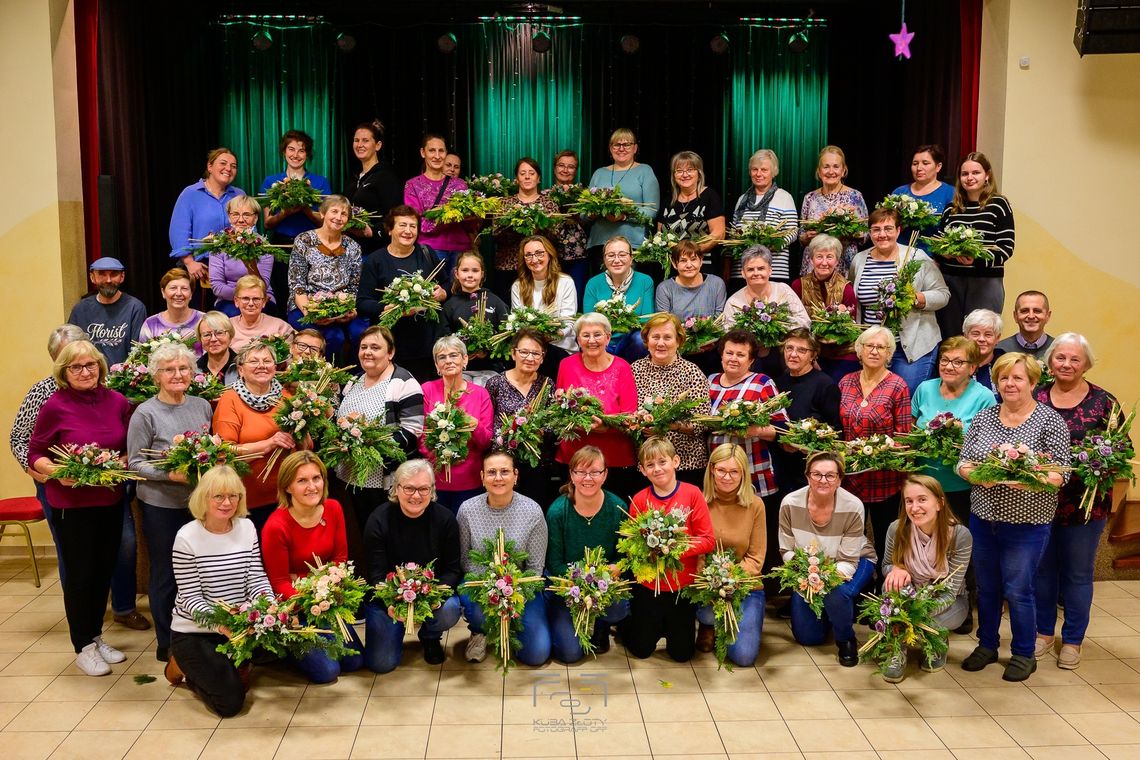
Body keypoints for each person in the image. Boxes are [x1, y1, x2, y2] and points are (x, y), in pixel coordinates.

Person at [956, 352, 1070, 682]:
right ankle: (987, 644)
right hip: (984, 516)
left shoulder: (1049, 421)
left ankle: (1023, 652)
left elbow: (1060, 473)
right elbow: (962, 462)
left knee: (1018, 589)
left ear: (1033, 382)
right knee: (988, 588)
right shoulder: (984, 418)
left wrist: (1029, 478)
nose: (1010, 383)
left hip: (1027, 523)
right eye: (1004, 378)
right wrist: (975, 475)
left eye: (1018, 378)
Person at [28, 340, 132, 676]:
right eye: (76, 367)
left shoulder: (117, 402)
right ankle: (82, 646)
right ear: (64, 372)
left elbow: (131, 447)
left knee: (103, 570)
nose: (85, 372)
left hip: (110, 500)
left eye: (90, 365)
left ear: (101, 367)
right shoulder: (55, 406)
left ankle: (95, 635)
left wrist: (122, 462)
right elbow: (36, 454)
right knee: (79, 575)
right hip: (70, 505)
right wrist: (60, 472)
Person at [1034, 333, 1117, 670]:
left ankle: (1072, 641)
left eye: (1074, 359)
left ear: (1086, 364)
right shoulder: (1035, 396)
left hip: (1085, 506)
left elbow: (1119, 453)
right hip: (1037, 502)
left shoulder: (1104, 403)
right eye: (1060, 358)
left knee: (1078, 575)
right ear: (1050, 360)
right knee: (1042, 572)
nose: (1066, 364)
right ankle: (1042, 633)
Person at [127, 341, 214, 661]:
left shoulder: (202, 405)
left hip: (197, 504)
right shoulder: (145, 413)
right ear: (156, 375)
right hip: (161, 505)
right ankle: (167, 642)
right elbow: (134, 464)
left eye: (184, 368)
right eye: (170, 370)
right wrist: (171, 475)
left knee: (197, 572)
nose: (178, 374)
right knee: (166, 572)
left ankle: (196, 635)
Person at [910, 336, 998, 634]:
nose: (949, 366)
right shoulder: (924, 389)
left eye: (958, 362)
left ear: (973, 367)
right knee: (922, 548)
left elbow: (988, 444)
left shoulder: (983, 397)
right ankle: (920, 601)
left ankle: (963, 604)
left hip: (960, 486)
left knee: (960, 547)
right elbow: (910, 431)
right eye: (945, 360)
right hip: (924, 483)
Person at [166, 467, 271, 717]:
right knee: (230, 704)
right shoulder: (186, 537)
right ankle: (181, 663)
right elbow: (191, 599)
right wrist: (222, 624)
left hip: (239, 624)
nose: (227, 503)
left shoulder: (246, 528)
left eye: (233, 496)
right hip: (197, 630)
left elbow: (256, 577)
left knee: (285, 648)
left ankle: (233, 662)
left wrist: (267, 605)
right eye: (218, 497)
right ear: (204, 498)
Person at [261, 451, 364, 682]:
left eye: (316, 478)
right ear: (287, 486)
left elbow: (340, 559)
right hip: (296, 607)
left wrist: (325, 592)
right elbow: (279, 582)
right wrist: (312, 597)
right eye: (302, 481)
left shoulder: (333, 509)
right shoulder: (276, 527)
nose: (312, 486)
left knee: (354, 661)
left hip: (325, 598)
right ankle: (284, 643)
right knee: (328, 672)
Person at [619, 437, 716, 662]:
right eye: (650, 465)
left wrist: (673, 548)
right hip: (649, 585)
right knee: (640, 650)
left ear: (676, 461)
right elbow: (632, 545)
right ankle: (633, 623)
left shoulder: (692, 494)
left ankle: (670, 628)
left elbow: (707, 540)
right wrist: (647, 550)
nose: (657, 469)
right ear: (642, 470)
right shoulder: (640, 500)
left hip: (681, 585)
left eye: (662, 462)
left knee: (682, 654)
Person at [363, 459, 463, 671]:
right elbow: (376, 575)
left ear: (432, 490)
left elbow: (453, 570)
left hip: (431, 593)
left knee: (450, 609)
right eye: (409, 488)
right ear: (396, 488)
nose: (416, 496)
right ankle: (395, 632)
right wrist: (391, 603)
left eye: (423, 489)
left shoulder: (445, 520)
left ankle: (430, 635)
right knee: (381, 664)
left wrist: (434, 597)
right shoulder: (378, 520)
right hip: (387, 598)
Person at [778, 451, 877, 665]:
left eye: (831, 475)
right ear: (807, 476)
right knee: (809, 638)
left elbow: (849, 561)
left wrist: (823, 580)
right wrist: (808, 575)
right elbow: (786, 550)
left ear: (840, 479)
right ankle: (831, 613)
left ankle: (845, 638)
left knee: (836, 594)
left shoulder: (853, 506)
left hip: (855, 562)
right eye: (817, 474)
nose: (823, 480)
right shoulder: (790, 503)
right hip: (809, 570)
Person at [9, 324, 88, 581]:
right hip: (55, 483)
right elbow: (19, 437)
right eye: (66, 358)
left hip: (97, 483)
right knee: (69, 551)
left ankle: (119, 606)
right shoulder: (42, 392)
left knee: (117, 546)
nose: (74, 363)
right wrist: (36, 470)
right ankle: (78, 611)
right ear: (55, 359)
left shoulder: (104, 388)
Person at [458, 451, 550, 664]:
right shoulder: (467, 510)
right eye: (491, 472)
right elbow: (465, 559)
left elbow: (536, 568)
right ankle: (479, 631)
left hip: (522, 588)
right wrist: (493, 589)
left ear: (516, 476)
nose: (498, 478)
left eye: (504, 471)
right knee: (477, 609)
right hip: (481, 584)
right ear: (482, 477)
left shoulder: (532, 511)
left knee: (536, 654)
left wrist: (513, 597)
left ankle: (515, 628)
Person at [880, 475, 973, 681]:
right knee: (891, 589)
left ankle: (936, 642)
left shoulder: (959, 535)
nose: (915, 507)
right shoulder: (897, 529)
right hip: (909, 594)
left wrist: (915, 615)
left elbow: (950, 590)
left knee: (931, 621)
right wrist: (896, 568)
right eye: (909, 501)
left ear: (939, 503)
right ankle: (898, 650)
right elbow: (886, 566)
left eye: (922, 499)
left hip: (949, 600)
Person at [335, 325, 424, 535]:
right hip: (350, 476)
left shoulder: (404, 382)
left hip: (385, 480)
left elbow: (412, 432)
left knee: (385, 535)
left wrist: (371, 449)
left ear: (390, 352)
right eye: (363, 347)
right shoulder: (353, 382)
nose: (367, 352)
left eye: (375, 347)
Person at [544, 446, 630, 662]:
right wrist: (582, 581)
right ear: (572, 475)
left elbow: (624, 555)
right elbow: (554, 563)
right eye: (581, 472)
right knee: (570, 654)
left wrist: (613, 569)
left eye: (595, 472)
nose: (587, 478)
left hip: (605, 585)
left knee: (618, 609)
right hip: (567, 587)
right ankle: (559, 620)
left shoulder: (618, 507)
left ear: (605, 474)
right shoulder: (558, 511)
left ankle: (601, 624)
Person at [849, 207, 949, 391]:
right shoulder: (859, 260)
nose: (882, 234)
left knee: (905, 401)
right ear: (869, 232)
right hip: (874, 348)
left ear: (898, 230)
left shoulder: (916, 256)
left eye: (888, 228)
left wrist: (917, 298)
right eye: (876, 229)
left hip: (910, 348)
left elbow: (943, 294)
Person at [838, 326, 914, 567]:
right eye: (869, 345)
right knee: (851, 542)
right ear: (859, 350)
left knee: (885, 543)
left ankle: (883, 596)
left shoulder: (897, 386)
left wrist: (884, 453)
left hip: (884, 481)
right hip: (850, 479)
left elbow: (904, 437)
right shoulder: (846, 382)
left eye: (881, 347)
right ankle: (855, 594)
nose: (874, 351)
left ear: (889, 354)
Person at [770, 329, 842, 570]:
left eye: (801, 350)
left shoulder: (825, 385)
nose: (794, 354)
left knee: (807, 532)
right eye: (789, 348)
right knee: (785, 530)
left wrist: (802, 447)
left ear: (813, 355)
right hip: (780, 466)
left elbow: (834, 433)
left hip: (810, 471)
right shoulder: (777, 382)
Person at [357, 205, 450, 383]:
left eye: (413, 226)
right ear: (390, 230)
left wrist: (443, 293)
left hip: (425, 342)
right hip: (391, 343)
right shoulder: (376, 260)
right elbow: (362, 302)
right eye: (402, 225)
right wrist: (388, 308)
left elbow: (445, 283)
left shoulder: (427, 253)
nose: (408, 231)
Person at [212, 341, 297, 532]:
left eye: (267, 361)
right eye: (254, 361)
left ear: (275, 368)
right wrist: (268, 443)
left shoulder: (287, 398)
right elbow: (223, 452)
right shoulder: (230, 400)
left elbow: (303, 448)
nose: (261, 365)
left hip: (286, 496)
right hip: (248, 499)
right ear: (240, 370)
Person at [555, 315, 640, 501]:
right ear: (577, 340)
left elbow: (630, 416)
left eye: (597, 335)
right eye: (585, 335)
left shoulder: (622, 367)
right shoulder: (566, 365)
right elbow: (560, 409)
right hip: (575, 458)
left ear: (608, 337)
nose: (591, 340)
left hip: (615, 459)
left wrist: (605, 427)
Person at [695, 444, 766, 666]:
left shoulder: (755, 505)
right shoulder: (699, 501)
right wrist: (711, 579)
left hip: (745, 584)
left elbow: (756, 558)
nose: (727, 477)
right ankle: (708, 621)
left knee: (743, 656)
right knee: (707, 613)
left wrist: (729, 577)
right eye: (722, 470)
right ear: (712, 470)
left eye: (734, 472)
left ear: (744, 474)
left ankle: (730, 624)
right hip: (708, 583)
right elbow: (695, 550)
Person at [935, 152, 1016, 336]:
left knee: (981, 336)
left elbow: (1006, 248)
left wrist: (976, 260)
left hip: (985, 282)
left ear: (987, 175)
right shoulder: (951, 208)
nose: (969, 178)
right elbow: (938, 245)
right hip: (951, 282)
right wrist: (944, 254)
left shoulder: (999, 204)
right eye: (965, 174)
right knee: (952, 337)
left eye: (976, 173)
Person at [631, 314, 714, 485]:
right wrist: (638, 424)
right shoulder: (634, 370)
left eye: (667, 337)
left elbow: (703, 422)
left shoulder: (692, 372)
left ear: (679, 341)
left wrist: (669, 426)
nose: (661, 343)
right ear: (647, 340)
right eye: (655, 337)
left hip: (686, 464)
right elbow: (625, 412)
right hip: (646, 465)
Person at [708, 330, 789, 500]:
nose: (733, 359)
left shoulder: (761, 382)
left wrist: (757, 431)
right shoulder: (710, 381)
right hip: (718, 476)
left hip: (755, 475)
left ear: (751, 360)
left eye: (740, 355)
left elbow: (783, 429)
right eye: (729, 353)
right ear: (721, 355)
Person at [287, 194, 367, 360]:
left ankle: (357, 379)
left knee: (361, 334)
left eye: (344, 214)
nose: (338, 217)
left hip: (341, 307)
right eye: (334, 211)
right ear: (323, 213)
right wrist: (311, 312)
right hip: (306, 306)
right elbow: (297, 284)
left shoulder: (353, 247)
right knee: (333, 337)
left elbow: (354, 286)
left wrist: (348, 310)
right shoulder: (304, 240)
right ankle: (328, 379)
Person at [419, 336, 494, 513]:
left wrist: (474, 425)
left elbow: (486, 442)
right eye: (442, 357)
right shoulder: (427, 390)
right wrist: (442, 456)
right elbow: (421, 436)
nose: (448, 361)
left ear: (465, 359)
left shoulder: (480, 394)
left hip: (470, 479)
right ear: (436, 365)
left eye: (454, 355)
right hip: (435, 477)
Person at [486, 329, 555, 507]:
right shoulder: (496, 383)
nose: (530, 358)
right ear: (513, 353)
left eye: (535, 353)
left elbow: (552, 424)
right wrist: (508, 436)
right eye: (524, 352)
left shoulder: (547, 384)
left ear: (542, 357)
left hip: (537, 462)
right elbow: (488, 422)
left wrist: (537, 432)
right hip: (504, 464)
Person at [723, 246, 811, 377]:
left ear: (770, 270)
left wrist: (776, 329)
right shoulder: (734, 301)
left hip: (783, 354)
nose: (756, 273)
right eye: (750, 269)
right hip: (749, 358)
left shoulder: (784, 291)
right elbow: (728, 334)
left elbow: (805, 322)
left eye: (761, 268)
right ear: (742, 273)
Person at [168, 147, 244, 285]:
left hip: (234, 266)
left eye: (233, 166)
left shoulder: (239, 195)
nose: (228, 168)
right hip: (200, 267)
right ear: (210, 166)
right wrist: (190, 262)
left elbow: (250, 229)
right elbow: (178, 232)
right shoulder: (190, 194)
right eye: (223, 163)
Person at [491, 157, 563, 299]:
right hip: (508, 266)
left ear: (539, 178)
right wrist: (515, 227)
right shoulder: (505, 203)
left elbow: (556, 236)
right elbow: (496, 235)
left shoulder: (549, 204)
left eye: (532, 173)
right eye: (522, 173)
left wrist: (537, 228)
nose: (527, 176)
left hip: (540, 267)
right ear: (517, 179)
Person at [654, 240, 728, 376]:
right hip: (677, 346)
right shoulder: (664, 288)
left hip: (710, 346)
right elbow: (664, 323)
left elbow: (720, 319)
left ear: (701, 261)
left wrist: (705, 342)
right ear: (674, 263)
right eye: (683, 260)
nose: (689, 265)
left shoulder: (716, 284)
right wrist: (685, 343)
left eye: (693, 259)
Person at [403, 133, 472, 278]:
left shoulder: (459, 184)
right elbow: (416, 220)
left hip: (461, 248)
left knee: (461, 295)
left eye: (441, 151)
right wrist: (447, 215)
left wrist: (475, 214)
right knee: (433, 294)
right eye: (432, 150)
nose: (437, 155)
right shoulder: (413, 185)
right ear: (423, 153)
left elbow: (469, 223)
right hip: (430, 249)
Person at [792, 234, 859, 380]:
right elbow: (796, 326)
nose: (824, 262)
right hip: (810, 351)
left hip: (842, 352)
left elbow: (850, 330)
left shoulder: (846, 288)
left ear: (837, 261)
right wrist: (811, 356)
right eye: (819, 257)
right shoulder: (798, 285)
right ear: (811, 259)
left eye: (829, 257)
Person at [585, 128, 659, 257]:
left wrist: (624, 216)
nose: (621, 148)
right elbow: (583, 213)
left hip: (633, 244)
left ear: (635, 148)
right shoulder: (599, 173)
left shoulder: (645, 171)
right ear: (610, 148)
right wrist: (593, 213)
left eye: (627, 144)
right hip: (600, 243)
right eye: (617, 145)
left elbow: (651, 211)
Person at [510, 235, 579, 375]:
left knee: (546, 356)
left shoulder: (565, 282)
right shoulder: (518, 286)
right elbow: (517, 321)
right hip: (530, 349)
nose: (534, 259)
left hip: (560, 347)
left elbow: (568, 322)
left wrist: (550, 336)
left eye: (539, 253)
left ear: (549, 254)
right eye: (528, 255)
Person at [729, 149, 799, 285]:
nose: (758, 174)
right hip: (741, 271)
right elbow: (733, 234)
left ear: (773, 172)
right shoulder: (741, 199)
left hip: (775, 270)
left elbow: (793, 231)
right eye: (754, 169)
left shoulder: (784, 197)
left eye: (764, 170)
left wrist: (773, 245)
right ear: (750, 172)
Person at [797, 145, 869, 275]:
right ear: (819, 171)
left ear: (843, 170)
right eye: (826, 166)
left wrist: (848, 232)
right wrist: (806, 237)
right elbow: (801, 235)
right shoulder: (810, 198)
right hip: (815, 265)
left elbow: (865, 235)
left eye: (836, 166)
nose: (831, 171)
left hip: (844, 264)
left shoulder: (855, 196)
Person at [582, 236, 654, 360]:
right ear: (604, 259)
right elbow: (589, 321)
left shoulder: (645, 281)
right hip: (602, 341)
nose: (616, 260)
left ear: (631, 258)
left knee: (639, 339)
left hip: (631, 341)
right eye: (610, 255)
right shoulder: (593, 283)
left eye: (622, 255)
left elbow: (646, 320)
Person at [67, 257, 146, 366]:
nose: (108, 280)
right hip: (88, 377)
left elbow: (137, 352)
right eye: (102, 274)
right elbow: (70, 349)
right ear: (92, 277)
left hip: (123, 378)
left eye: (114, 274)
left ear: (122, 277)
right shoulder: (80, 309)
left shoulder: (135, 307)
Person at [442, 250, 510, 376]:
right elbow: (443, 339)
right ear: (456, 273)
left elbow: (506, 336)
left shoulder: (495, 301)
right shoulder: (449, 305)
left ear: (482, 274)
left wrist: (487, 351)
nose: (470, 275)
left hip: (491, 370)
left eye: (475, 270)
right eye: (465, 270)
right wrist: (460, 352)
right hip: (459, 371)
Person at [657, 150, 725, 274]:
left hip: (702, 266)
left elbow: (719, 234)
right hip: (672, 267)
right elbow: (659, 235)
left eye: (690, 170)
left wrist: (690, 254)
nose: (684, 174)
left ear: (699, 173)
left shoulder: (709, 196)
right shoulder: (668, 201)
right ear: (673, 175)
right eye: (679, 171)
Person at [208, 196, 277, 317]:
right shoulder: (219, 246)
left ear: (255, 218)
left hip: (260, 298)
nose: (240, 220)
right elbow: (217, 287)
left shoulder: (264, 246)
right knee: (233, 313)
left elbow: (263, 286)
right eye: (235, 214)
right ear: (229, 217)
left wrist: (250, 264)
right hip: (228, 299)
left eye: (246, 215)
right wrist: (242, 298)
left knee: (256, 313)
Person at [260, 129, 331, 240]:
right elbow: (267, 224)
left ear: (307, 154)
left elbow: (326, 222)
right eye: (291, 149)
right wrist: (284, 213)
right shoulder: (270, 181)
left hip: (312, 243)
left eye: (301, 151)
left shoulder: (321, 182)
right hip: (280, 242)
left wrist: (307, 211)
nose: (295, 155)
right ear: (284, 152)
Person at [345, 119, 404, 253]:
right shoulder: (353, 178)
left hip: (376, 251)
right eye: (356, 140)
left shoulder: (386, 177)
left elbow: (394, 215)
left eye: (365, 140)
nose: (359, 145)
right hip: (352, 250)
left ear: (377, 145)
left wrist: (372, 231)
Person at [542, 150, 589, 296]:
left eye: (571, 166)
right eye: (561, 165)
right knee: (551, 295)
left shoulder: (585, 195)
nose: (565, 170)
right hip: (550, 254)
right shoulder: (544, 195)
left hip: (577, 254)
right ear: (555, 168)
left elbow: (590, 222)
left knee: (576, 293)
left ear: (576, 170)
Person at [140, 268, 205, 351]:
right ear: (163, 292)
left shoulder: (204, 320)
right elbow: (142, 360)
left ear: (191, 293)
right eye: (173, 288)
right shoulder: (151, 324)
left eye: (184, 288)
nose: (178, 293)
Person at [228, 274, 293, 351]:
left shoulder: (281, 327)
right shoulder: (227, 327)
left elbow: (289, 359)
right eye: (245, 298)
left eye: (256, 299)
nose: (251, 303)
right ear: (236, 301)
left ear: (264, 301)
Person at [891, 144, 955, 217]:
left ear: (938, 166)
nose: (919, 168)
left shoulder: (951, 193)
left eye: (925, 163)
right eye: (915, 164)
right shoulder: (899, 192)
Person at [996, 290, 1054, 359]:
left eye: (1037, 311)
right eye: (1024, 311)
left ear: (1048, 316)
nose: (1031, 316)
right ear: (1015, 316)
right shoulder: (999, 350)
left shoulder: (1057, 348)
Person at [963, 309, 1004, 394]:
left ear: (997, 338)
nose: (981, 339)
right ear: (965, 336)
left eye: (988, 334)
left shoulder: (1006, 365)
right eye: (975, 334)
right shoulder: (955, 364)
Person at [196, 311, 239, 386]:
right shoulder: (194, 369)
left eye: (219, 333)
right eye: (206, 335)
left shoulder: (242, 366)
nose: (213, 339)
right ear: (200, 339)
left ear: (230, 335)